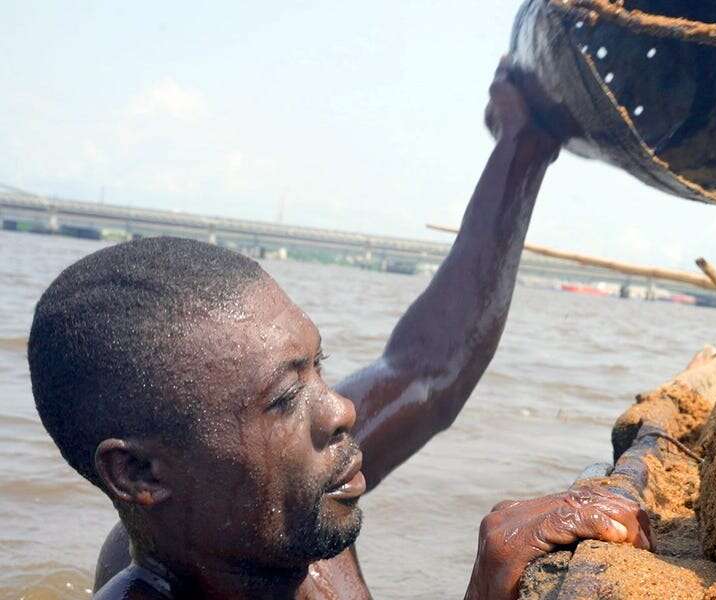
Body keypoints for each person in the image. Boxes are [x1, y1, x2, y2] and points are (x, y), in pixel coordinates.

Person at [27, 62, 652, 600]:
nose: (342, 409)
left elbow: (425, 369)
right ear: (140, 474)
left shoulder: (283, 520)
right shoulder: (258, 524)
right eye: (282, 399)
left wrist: (525, 141)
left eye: (317, 368)